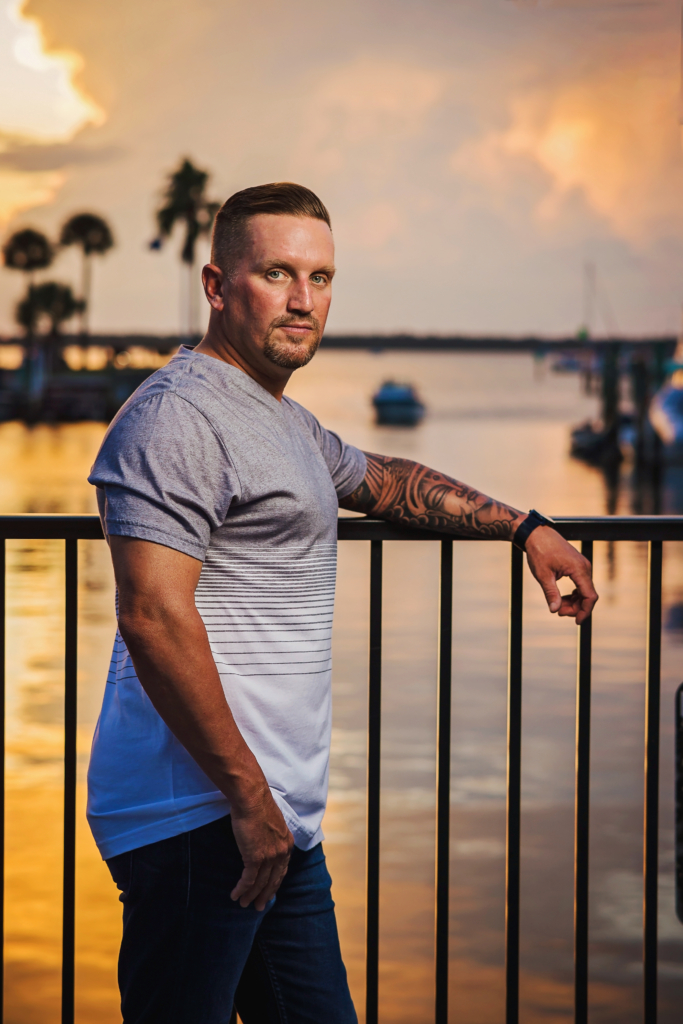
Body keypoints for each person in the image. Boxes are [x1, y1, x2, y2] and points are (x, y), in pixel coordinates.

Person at [87, 182, 598, 1024]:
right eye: (277, 274)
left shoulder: (282, 422)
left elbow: (388, 483)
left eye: (320, 278)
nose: (302, 301)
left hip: (271, 820)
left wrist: (527, 530)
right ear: (217, 286)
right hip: (196, 817)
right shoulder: (175, 419)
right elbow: (151, 616)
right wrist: (246, 800)